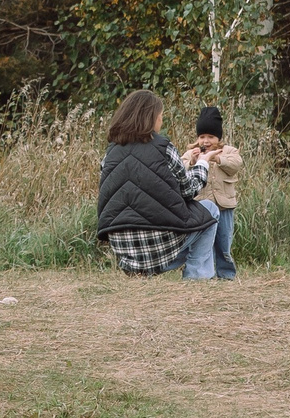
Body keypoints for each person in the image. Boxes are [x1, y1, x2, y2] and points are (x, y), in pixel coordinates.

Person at [94, 89, 213, 277]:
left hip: (123, 248)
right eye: (161, 116)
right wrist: (202, 164)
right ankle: (196, 276)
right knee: (210, 209)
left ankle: (139, 273)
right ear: (151, 118)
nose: (162, 121)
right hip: (158, 246)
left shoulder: (110, 153)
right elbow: (188, 190)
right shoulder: (163, 147)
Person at [179, 105, 242, 282]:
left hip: (224, 206)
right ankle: (206, 272)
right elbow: (180, 167)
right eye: (202, 137)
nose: (206, 141)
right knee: (204, 243)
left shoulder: (229, 151)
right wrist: (192, 160)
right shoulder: (192, 152)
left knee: (224, 243)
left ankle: (226, 275)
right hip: (202, 206)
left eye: (211, 137)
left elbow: (235, 165)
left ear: (219, 137)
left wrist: (216, 158)